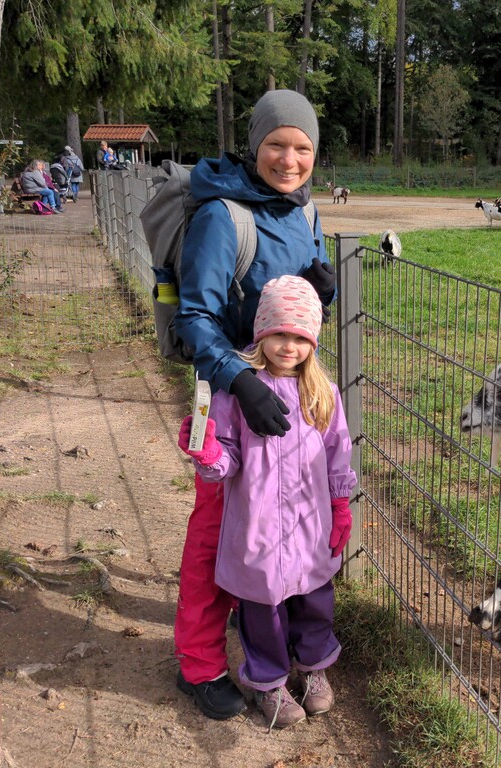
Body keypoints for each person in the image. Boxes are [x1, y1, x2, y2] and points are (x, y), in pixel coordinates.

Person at [170, 89, 338, 721]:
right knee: (216, 534)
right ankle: (200, 662)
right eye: (277, 144)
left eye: (302, 148)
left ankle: (273, 637)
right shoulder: (223, 215)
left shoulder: (305, 211)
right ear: (254, 144)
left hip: (289, 395)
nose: (289, 159)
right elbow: (196, 318)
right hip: (232, 396)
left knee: (280, 526)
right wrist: (240, 384)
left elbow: (302, 307)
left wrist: (326, 290)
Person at [177, 276, 355, 729]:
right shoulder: (235, 395)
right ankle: (269, 681)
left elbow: (339, 453)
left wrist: (340, 505)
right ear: (261, 334)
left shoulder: (323, 394)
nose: (288, 346)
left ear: (313, 341)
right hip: (257, 530)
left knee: (315, 601)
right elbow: (226, 462)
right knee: (262, 612)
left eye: (300, 337)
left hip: (309, 527)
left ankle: (313, 669)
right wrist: (207, 451)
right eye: (279, 334)